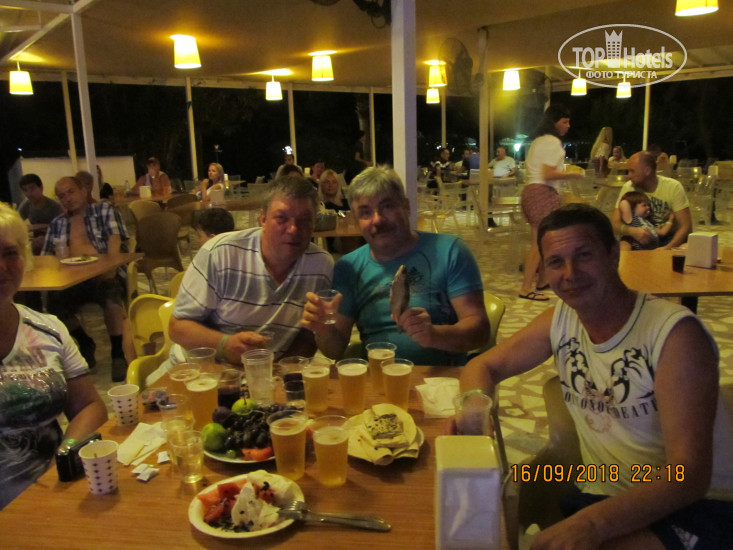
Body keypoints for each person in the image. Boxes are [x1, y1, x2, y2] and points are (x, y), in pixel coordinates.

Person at [460, 203, 730, 549]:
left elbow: (688, 475)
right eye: (556, 262)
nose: (570, 273)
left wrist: (590, 524)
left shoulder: (674, 336)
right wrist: (475, 406)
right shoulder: (561, 319)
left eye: (584, 255)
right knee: (486, 504)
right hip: (603, 486)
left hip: (697, 506)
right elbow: (483, 366)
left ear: (613, 255)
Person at [301, 166, 490, 366]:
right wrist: (324, 330)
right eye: (365, 213)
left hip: (443, 377)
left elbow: (480, 332)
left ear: (406, 207)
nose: (377, 219)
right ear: (356, 222)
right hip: (381, 378)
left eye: (387, 206)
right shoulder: (349, 268)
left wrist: (434, 335)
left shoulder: (449, 251)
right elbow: (335, 350)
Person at [0, 203, 107, 511]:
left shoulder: (49, 330)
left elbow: (89, 406)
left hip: (51, 500)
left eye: (10, 253)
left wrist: (66, 452)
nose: (2, 267)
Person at [165, 177, 333, 370]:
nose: (294, 229)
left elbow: (307, 336)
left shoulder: (320, 266)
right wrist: (225, 345)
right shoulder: (221, 253)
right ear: (263, 219)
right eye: (281, 218)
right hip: (199, 371)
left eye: (304, 220)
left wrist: (280, 372)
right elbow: (177, 327)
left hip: (264, 376)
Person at [42, 176, 131, 381]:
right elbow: (47, 257)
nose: (67, 198)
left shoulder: (103, 210)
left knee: (111, 297)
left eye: (71, 192)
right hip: (73, 278)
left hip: (104, 274)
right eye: (62, 196)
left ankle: (118, 353)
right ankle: (84, 342)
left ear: (83, 191)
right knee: (53, 305)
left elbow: (115, 240)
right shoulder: (57, 223)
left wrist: (110, 267)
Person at [519, 104, 583, 301]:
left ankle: (541, 281)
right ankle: (526, 288)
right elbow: (548, 173)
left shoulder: (538, 141)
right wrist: (572, 174)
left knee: (542, 240)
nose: (568, 125)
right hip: (542, 193)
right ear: (554, 123)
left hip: (530, 191)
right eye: (565, 121)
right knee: (539, 243)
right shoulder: (553, 142)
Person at [612, 151, 691, 249]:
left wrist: (667, 248)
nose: (629, 176)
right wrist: (630, 230)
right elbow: (615, 223)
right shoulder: (628, 187)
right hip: (637, 238)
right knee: (623, 245)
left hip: (667, 239)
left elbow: (685, 226)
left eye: (632, 171)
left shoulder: (673, 187)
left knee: (686, 247)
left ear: (647, 171)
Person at [17, 173, 62, 256]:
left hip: (54, 240)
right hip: (35, 240)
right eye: (25, 190)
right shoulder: (25, 205)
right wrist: (44, 226)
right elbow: (16, 226)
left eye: (32, 188)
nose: (29, 193)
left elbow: (59, 227)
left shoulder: (54, 206)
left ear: (41, 188)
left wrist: (33, 227)